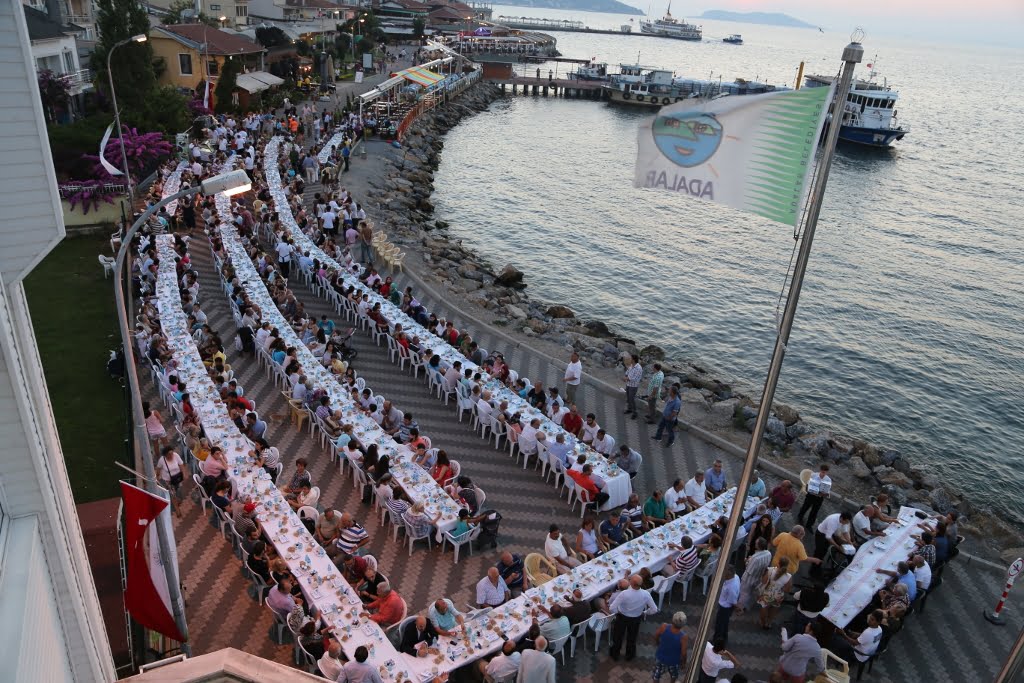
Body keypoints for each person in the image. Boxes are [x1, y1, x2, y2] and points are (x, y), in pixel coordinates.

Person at [609, 574, 657, 660]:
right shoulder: (646, 594)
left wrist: (617, 613)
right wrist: (644, 613)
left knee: (618, 637)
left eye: (630, 579)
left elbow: (612, 607)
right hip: (636, 618)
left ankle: (615, 654)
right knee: (632, 638)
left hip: (622, 617)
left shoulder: (624, 594)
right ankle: (630, 655)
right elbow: (654, 609)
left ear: (632, 583)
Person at [811, 511, 853, 576]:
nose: (846, 523)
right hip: (821, 534)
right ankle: (813, 569)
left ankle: (818, 565)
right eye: (846, 522)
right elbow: (828, 537)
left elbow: (845, 532)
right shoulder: (833, 521)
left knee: (824, 551)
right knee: (819, 552)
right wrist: (838, 547)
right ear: (842, 518)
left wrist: (849, 541)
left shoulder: (844, 521)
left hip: (829, 534)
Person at [757, 558, 792, 629]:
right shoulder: (788, 576)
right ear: (787, 566)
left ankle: (763, 623)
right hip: (778, 596)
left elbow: (763, 581)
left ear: (778, 563)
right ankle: (769, 623)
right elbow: (787, 590)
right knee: (773, 609)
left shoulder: (771, 570)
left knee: (764, 608)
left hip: (767, 593)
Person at [652, 612, 689, 681]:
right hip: (674, 661)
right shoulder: (683, 637)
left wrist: (658, 643)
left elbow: (656, 635)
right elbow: (683, 653)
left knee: (656, 675)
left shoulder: (664, 626)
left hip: (660, 657)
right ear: (683, 624)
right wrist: (683, 663)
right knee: (674, 675)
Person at [739, 538, 772, 611]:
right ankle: (747, 607)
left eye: (756, 543)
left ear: (758, 546)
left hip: (748, 579)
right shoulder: (768, 553)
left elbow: (749, 571)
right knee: (752, 594)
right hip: (759, 577)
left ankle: (740, 608)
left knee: (744, 594)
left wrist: (747, 561)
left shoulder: (755, 558)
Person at [797, 464, 832, 529]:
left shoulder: (828, 480)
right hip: (811, 495)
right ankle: (800, 517)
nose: (823, 474)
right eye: (822, 472)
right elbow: (808, 484)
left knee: (814, 511)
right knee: (805, 507)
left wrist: (824, 494)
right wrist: (809, 490)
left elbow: (827, 490)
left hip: (819, 498)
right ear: (820, 470)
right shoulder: (814, 475)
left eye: (825, 472)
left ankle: (809, 525)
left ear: (827, 472)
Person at [714, 566, 741, 644]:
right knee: (724, 624)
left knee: (720, 625)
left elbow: (733, 601)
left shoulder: (731, 587)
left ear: (729, 575)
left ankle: (717, 642)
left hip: (725, 608)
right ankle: (724, 638)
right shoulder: (735, 576)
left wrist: (738, 609)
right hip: (725, 605)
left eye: (724, 574)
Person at [623, 353, 643, 419]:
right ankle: (629, 409)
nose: (630, 359)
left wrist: (627, 378)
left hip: (633, 386)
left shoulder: (639, 368)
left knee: (632, 399)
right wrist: (625, 376)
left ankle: (635, 413)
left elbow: (635, 378)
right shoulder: (631, 365)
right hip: (628, 384)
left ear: (633, 360)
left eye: (631, 358)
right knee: (628, 398)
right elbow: (628, 371)